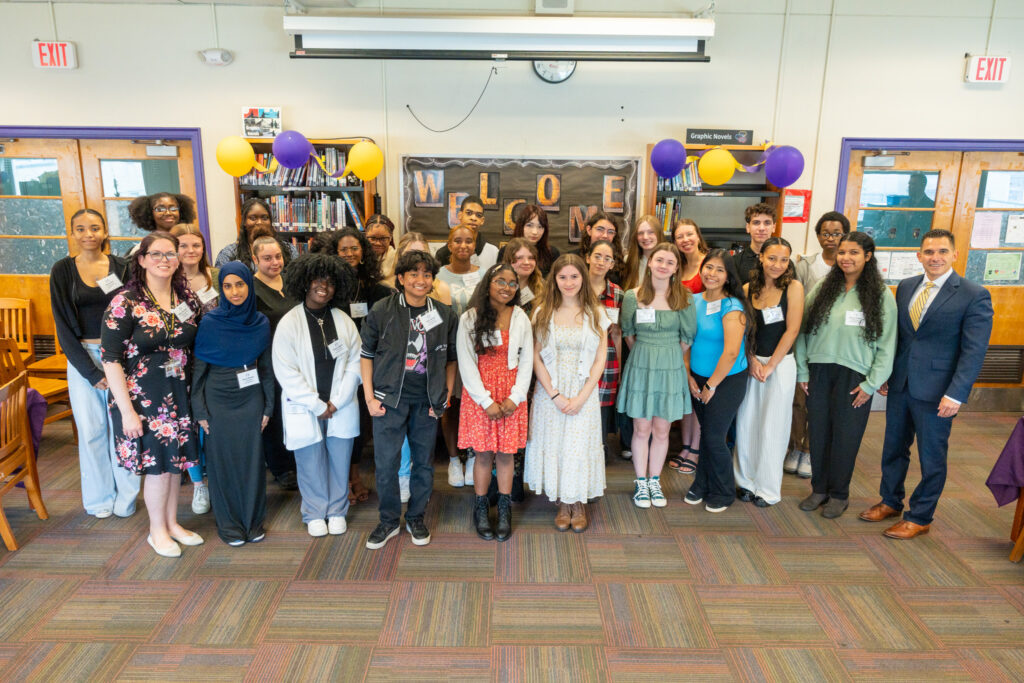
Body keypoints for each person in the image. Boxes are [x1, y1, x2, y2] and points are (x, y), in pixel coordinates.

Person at [859, 229, 992, 539]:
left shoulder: (973, 294)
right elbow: (900, 338)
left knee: (931, 457)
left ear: (955, 255)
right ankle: (890, 500)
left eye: (942, 252)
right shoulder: (905, 287)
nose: (935, 258)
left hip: (939, 391)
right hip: (902, 384)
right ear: (919, 256)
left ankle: (920, 516)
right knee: (893, 447)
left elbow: (974, 351)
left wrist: (956, 394)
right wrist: (888, 375)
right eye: (929, 252)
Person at [101, 231, 203, 558]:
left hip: (177, 392)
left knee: (175, 462)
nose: (164, 260)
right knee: (157, 467)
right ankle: (156, 530)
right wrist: (128, 411)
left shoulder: (185, 300)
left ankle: (171, 524)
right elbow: (111, 359)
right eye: (156, 254)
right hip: (142, 399)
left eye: (170, 254)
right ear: (142, 260)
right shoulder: (125, 301)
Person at [361, 250, 458, 550]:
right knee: (386, 463)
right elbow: (366, 355)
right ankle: (388, 521)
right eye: (413, 274)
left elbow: (451, 360)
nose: (420, 280)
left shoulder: (444, 314)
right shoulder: (382, 309)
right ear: (401, 278)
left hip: (426, 400)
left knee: (424, 464)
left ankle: (416, 517)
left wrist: (443, 396)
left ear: (432, 280)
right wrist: (369, 397)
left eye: (426, 274)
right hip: (389, 399)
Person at [795, 232, 897, 519]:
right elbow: (801, 330)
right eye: (842, 252)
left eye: (854, 252)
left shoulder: (880, 294)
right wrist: (803, 369)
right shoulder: (824, 288)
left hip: (856, 378)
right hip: (819, 371)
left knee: (846, 436)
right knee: (818, 432)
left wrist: (871, 383)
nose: (846, 258)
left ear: (867, 256)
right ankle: (819, 489)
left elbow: (888, 345)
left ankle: (839, 494)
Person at [50, 209, 139, 519]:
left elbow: (133, 312)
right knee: (91, 431)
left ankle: (126, 497)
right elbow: (62, 326)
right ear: (73, 233)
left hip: (121, 356)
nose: (88, 234)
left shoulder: (122, 267)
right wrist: (90, 372)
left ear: (104, 232)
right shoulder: (62, 271)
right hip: (83, 357)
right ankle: (99, 499)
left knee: (125, 427)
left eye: (95, 228)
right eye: (81, 229)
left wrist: (119, 361)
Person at [272, 253, 362, 538]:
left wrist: (339, 400)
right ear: (304, 283)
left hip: (340, 405)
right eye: (317, 280)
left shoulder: (343, 320)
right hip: (306, 406)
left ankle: (337, 510)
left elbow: (356, 362)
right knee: (309, 460)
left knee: (339, 459)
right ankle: (313, 511)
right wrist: (315, 404)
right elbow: (285, 370)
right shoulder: (289, 322)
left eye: (330, 282)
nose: (323, 287)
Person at [525, 254, 609, 533]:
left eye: (574, 276)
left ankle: (578, 502)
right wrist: (554, 394)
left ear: (583, 278)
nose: (569, 282)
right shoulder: (542, 312)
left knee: (578, 445)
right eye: (563, 277)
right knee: (557, 444)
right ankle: (563, 501)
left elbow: (600, 358)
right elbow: (535, 357)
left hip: (583, 390)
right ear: (554, 280)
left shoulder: (595, 312)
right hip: (551, 392)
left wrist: (583, 396)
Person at [191, 263, 274, 545]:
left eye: (240, 285)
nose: (235, 291)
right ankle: (229, 525)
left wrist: (268, 407)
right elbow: (198, 372)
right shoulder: (211, 322)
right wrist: (200, 411)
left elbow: (266, 369)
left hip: (251, 400)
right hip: (218, 401)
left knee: (252, 462)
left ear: (249, 286)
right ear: (221, 289)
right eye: (228, 286)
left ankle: (252, 522)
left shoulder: (260, 321)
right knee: (221, 464)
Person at [314, 227, 394, 505]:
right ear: (334, 253)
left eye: (354, 248)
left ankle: (355, 475)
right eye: (343, 249)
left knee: (361, 422)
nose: (349, 254)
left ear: (364, 252)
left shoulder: (378, 289)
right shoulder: (329, 289)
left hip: (372, 365)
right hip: (336, 365)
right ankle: (341, 479)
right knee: (340, 420)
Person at [457, 264, 533, 541]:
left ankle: (503, 509)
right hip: (481, 397)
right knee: (483, 454)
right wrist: (485, 401)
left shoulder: (521, 317)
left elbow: (527, 360)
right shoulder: (469, 318)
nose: (506, 287)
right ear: (488, 283)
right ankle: (480, 509)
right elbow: (466, 363)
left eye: (512, 284)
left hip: (511, 394)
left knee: (505, 454)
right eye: (500, 281)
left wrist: (515, 397)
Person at [618, 243, 696, 509]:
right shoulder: (632, 296)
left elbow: (687, 337)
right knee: (641, 428)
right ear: (649, 263)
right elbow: (628, 332)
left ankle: (655, 481)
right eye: (659, 260)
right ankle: (641, 483)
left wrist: (668, 355)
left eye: (670, 262)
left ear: (676, 268)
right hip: (641, 364)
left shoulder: (684, 297)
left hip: (671, 366)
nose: (663, 266)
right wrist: (646, 352)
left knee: (662, 430)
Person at [734, 237, 804, 507]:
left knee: (773, 426)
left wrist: (770, 365)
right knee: (747, 422)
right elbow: (745, 331)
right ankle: (745, 481)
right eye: (772, 258)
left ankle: (768, 489)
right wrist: (752, 360)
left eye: (784, 260)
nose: (777, 265)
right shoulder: (748, 288)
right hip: (751, 364)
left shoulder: (794, 288)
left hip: (780, 365)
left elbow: (792, 330)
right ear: (761, 258)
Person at [381, 232, 451, 502]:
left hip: (426, 374)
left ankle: (417, 480)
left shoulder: (440, 290)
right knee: (398, 436)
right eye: (411, 254)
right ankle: (402, 475)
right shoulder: (386, 291)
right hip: (397, 376)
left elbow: (442, 335)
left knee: (422, 437)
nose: (418, 260)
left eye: (423, 253)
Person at [684, 250, 753, 513]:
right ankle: (701, 484)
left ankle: (723, 491)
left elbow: (732, 352)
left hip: (726, 380)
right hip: (698, 377)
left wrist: (711, 385)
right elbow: (688, 340)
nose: (712, 274)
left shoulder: (732, 306)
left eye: (719, 270)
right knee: (707, 433)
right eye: (708, 267)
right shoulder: (693, 300)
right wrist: (689, 374)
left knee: (714, 437)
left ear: (728, 276)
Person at [787, 211, 851, 479]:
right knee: (799, 399)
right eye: (825, 233)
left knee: (823, 403)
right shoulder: (806, 265)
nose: (831, 238)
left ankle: (812, 450)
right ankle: (795, 448)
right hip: (806, 341)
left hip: (835, 346)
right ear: (818, 236)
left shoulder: (849, 265)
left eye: (836, 233)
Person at [168, 222, 216, 515]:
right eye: (183, 245)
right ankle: (198, 485)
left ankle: (214, 475)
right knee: (185, 420)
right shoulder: (166, 280)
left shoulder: (216, 276)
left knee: (208, 419)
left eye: (195, 245)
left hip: (211, 359)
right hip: (177, 361)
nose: (190, 251)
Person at [251, 236, 299, 491]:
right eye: (267, 258)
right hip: (267, 361)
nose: (274, 262)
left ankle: (296, 459)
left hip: (296, 358)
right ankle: (280, 467)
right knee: (274, 412)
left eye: (278, 256)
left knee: (295, 407)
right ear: (256, 259)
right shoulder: (251, 288)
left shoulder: (291, 282)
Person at [436, 225, 482, 488]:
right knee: (450, 406)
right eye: (457, 241)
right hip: (447, 350)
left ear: (474, 244)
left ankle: (475, 455)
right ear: (449, 244)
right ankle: (454, 460)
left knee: (475, 404)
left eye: (468, 241)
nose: (463, 245)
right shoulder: (438, 276)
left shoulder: (485, 275)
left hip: (478, 352)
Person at [670, 218, 708, 473]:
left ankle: (696, 448)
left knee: (698, 393)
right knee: (685, 392)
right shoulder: (676, 265)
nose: (685, 240)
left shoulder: (709, 262)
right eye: (679, 236)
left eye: (689, 234)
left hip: (704, 335)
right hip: (679, 336)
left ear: (697, 235)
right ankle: (685, 445)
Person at [586, 240, 624, 456]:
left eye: (607, 258)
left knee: (601, 409)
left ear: (612, 264)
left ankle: (597, 452)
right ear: (588, 257)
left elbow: (617, 333)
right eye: (597, 256)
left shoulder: (617, 294)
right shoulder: (576, 287)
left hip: (607, 359)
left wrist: (617, 369)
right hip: (581, 357)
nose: (601, 261)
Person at [214, 197, 298, 269]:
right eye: (253, 218)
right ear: (244, 222)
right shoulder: (229, 254)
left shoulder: (289, 251)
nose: (259, 222)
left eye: (265, 218)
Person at [382, 232, 453, 306]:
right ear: (399, 256)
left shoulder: (441, 288)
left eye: (422, 254)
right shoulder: (385, 289)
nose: (416, 260)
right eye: (410, 254)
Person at [433, 195, 499, 269]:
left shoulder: (493, 252)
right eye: (469, 213)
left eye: (478, 215)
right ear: (460, 215)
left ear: (482, 220)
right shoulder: (443, 254)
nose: (473, 218)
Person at [496, 204, 561, 275]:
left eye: (540, 227)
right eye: (529, 225)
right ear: (521, 226)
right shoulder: (505, 251)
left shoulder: (551, 253)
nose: (535, 232)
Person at [573, 211, 624, 284]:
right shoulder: (573, 259)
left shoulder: (620, 264)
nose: (605, 235)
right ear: (589, 230)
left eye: (610, 232)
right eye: (600, 229)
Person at [734, 203, 777, 285]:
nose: (761, 228)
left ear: (774, 227)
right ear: (748, 227)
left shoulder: (784, 264)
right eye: (756, 223)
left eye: (767, 223)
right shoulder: (734, 262)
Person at [502, 237, 544, 314]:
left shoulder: (545, 288)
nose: (526, 262)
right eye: (520, 258)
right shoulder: (496, 287)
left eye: (531, 258)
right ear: (509, 260)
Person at [622, 214, 664, 291]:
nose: (645, 237)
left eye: (651, 232)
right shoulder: (628, 260)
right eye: (640, 233)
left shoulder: (667, 263)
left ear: (658, 234)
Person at [128, 192, 197, 236]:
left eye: (173, 208)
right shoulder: (146, 247)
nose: (168, 213)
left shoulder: (189, 243)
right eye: (160, 209)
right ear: (149, 213)